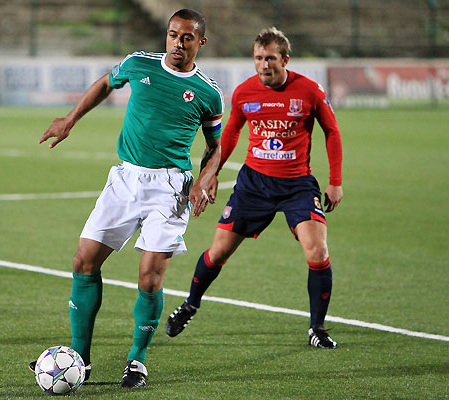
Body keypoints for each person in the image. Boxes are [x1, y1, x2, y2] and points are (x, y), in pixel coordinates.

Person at [31, 9, 224, 388]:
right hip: (125, 178)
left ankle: (136, 361)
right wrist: (71, 119)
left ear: (200, 42)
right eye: (172, 35)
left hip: (169, 190)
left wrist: (207, 175)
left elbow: (216, 145)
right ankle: (79, 360)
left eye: (186, 38)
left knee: (149, 277)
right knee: (83, 261)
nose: (177, 44)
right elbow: (105, 83)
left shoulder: (208, 92)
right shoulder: (138, 63)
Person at [165, 27, 343, 349]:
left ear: (285, 59)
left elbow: (331, 131)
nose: (264, 65)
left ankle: (317, 328)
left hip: (297, 185)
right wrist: (212, 172)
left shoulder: (309, 91)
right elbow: (229, 134)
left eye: (270, 58)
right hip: (254, 185)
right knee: (218, 251)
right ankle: (191, 303)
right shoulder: (245, 92)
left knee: (317, 251)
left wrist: (335, 182)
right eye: (258, 58)